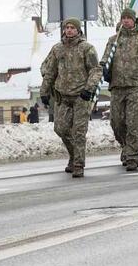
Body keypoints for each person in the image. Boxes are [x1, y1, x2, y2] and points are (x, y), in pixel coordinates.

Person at [40, 18, 101, 177]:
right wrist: (44, 91)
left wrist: (88, 89)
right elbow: (50, 71)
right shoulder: (57, 49)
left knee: (79, 132)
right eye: (67, 27)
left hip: (81, 96)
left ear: (78, 30)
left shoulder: (87, 48)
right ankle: (74, 156)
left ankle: (78, 165)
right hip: (63, 97)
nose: (69, 30)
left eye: (72, 27)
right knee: (60, 128)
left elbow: (96, 70)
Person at [101, 8, 138, 171]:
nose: (125, 20)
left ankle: (132, 157)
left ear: (134, 20)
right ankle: (129, 146)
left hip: (135, 87)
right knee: (116, 123)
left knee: (132, 123)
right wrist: (105, 70)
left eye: (128, 18)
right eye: (123, 18)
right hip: (117, 87)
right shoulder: (114, 40)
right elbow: (106, 59)